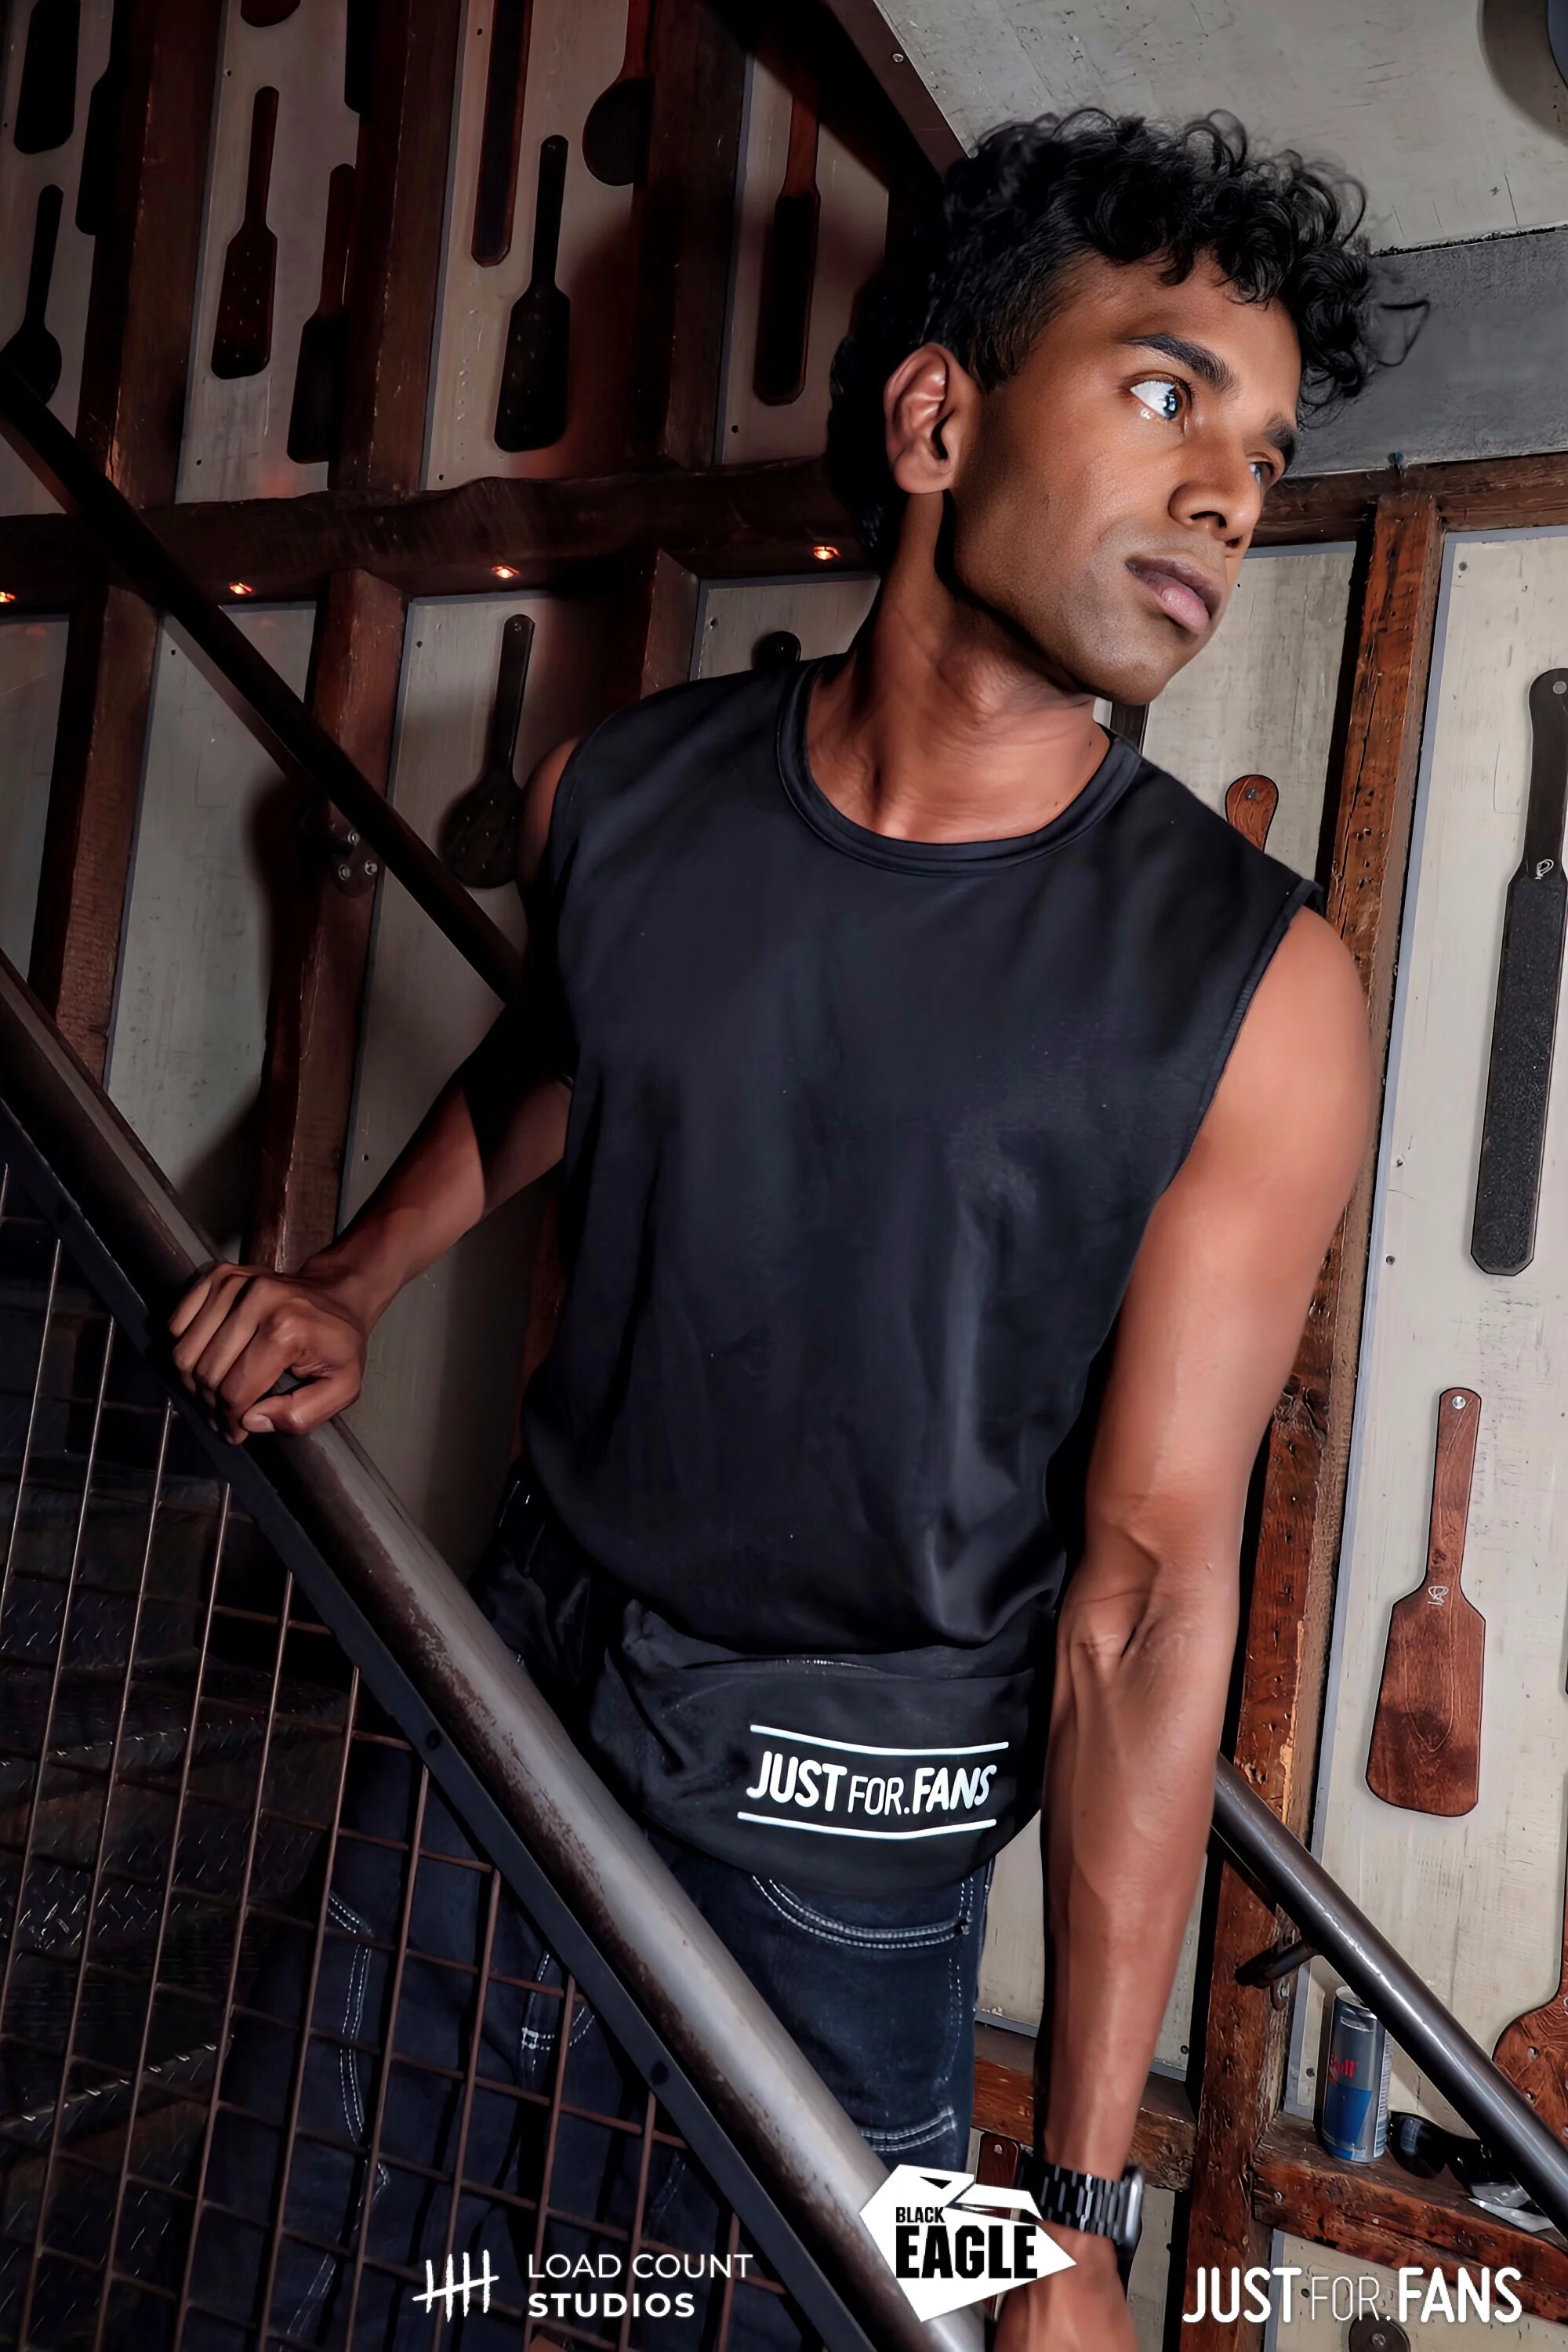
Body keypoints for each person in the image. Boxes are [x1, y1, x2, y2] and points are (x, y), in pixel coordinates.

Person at [172, 111, 1377, 2350]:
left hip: (846, 1854)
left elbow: (1137, 1606)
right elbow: (571, 1049)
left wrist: (1077, 2221)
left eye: (1270, 449)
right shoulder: (620, 794)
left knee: (785, 2311)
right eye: (1164, 390)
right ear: (939, 415)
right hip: (505, 1721)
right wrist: (358, 1273)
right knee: (309, 2277)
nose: (1233, 488)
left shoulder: (1257, 992)